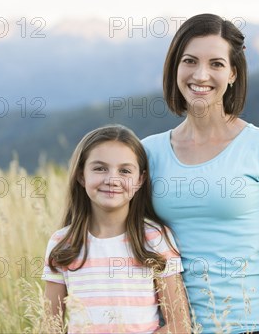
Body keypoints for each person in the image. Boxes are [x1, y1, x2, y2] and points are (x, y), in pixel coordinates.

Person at [142, 14, 259, 333]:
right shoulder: (147, 152)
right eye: (190, 61)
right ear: (175, 68)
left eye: (216, 64)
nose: (201, 75)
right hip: (173, 328)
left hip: (252, 324)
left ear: (232, 74)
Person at [42, 124, 190, 333]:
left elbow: (180, 325)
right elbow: (50, 326)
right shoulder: (62, 243)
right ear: (81, 176)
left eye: (125, 171)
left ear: (140, 180)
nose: (112, 179)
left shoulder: (154, 238)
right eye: (100, 168)